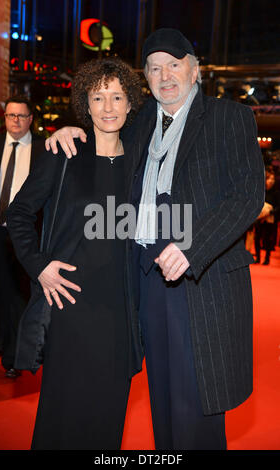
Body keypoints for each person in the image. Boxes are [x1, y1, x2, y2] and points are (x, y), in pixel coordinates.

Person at [45, 28, 265, 450]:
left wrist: (191, 247)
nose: (165, 76)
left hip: (199, 282)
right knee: (162, 399)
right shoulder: (142, 119)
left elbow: (247, 196)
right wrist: (67, 133)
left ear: (195, 70)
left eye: (175, 65)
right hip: (144, 278)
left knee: (195, 406)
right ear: (145, 78)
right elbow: (103, 129)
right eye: (154, 68)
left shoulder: (229, 117)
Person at [6, 58, 143, 450]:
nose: (108, 106)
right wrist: (39, 265)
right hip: (70, 307)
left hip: (121, 311)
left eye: (117, 96)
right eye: (97, 97)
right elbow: (19, 214)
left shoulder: (139, 159)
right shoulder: (64, 152)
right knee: (63, 415)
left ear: (131, 102)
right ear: (85, 103)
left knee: (108, 417)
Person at [0, 96, 44, 378]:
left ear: (30, 119)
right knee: (2, 293)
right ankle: (6, 348)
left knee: (21, 294)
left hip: (25, 235)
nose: (15, 120)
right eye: (10, 115)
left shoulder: (43, 149)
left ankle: (19, 354)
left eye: (20, 116)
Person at [254, 168, 280, 265]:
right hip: (260, 218)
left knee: (267, 239)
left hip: (270, 218)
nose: (271, 181)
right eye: (269, 179)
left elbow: (279, 206)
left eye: (273, 179)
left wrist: (271, 211)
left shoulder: (276, 192)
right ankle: (258, 258)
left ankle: (267, 258)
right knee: (257, 238)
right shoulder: (260, 191)